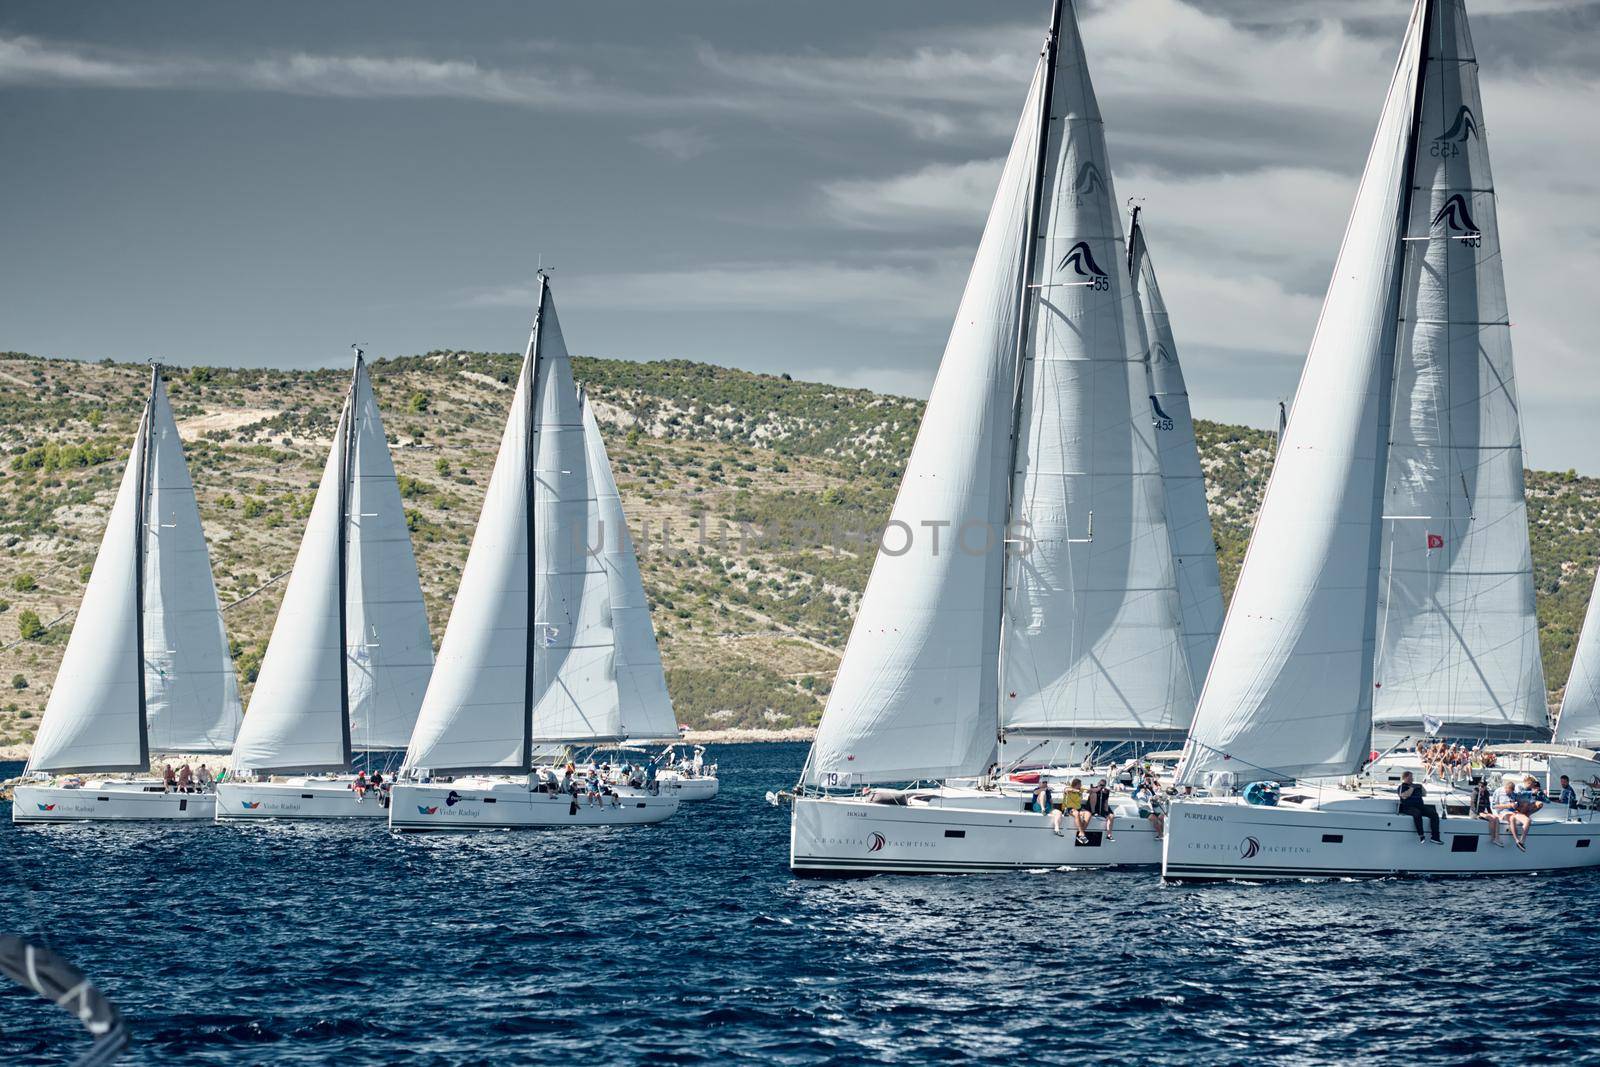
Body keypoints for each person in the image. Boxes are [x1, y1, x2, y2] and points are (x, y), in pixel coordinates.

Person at [1397, 771, 1441, 844]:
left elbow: (1424, 794)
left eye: (1412, 777)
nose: (1412, 778)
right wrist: (1411, 788)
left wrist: (1421, 787)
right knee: (1417, 813)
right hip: (1408, 807)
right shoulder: (1402, 787)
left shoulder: (1416, 786)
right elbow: (1404, 796)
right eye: (1410, 777)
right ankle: (1421, 835)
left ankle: (1435, 837)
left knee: (1434, 814)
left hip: (1420, 806)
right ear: (1405, 777)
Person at [1494, 780, 1528, 851]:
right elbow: (1494, 806)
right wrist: (1508, 805)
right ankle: (1517, 840)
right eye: (1508, 792)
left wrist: (1516, 805)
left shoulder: (1513, 793)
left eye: (1511, 792)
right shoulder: (1498, 792)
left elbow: (1517, 803)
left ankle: (1522, 841)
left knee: (1528, 820)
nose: (1509, 794)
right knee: (1512, 818)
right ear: (1506, 788)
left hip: (1514, 812)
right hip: (1503, 812)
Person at [1470, 779, 1502, 846]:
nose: (1481, 788)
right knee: (1491, 819)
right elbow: (1472, 804)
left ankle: (1497, 838)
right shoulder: (1475, 792)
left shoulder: (1486, 793)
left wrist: (1490, 813)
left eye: (1482, 786)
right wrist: (1477, 814)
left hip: (1482, 812)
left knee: (1496, 818)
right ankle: (1492, 838)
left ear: (1485, 787)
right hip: (1475, 812)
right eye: (1480, 786)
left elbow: (1488, 805)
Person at [1062, 778, 1090, 844]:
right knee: (1076, 814)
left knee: (1088, 814)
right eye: (1080, 784)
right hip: (1069, 808)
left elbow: (1088, 791)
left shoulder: (1081, 789)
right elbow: (1067, 790)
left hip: (1078, 808)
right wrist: (1076, 791)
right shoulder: (1068, 788)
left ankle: (1081, 833)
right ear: (1076, 784)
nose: (1081, 785)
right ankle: (1082, 834)